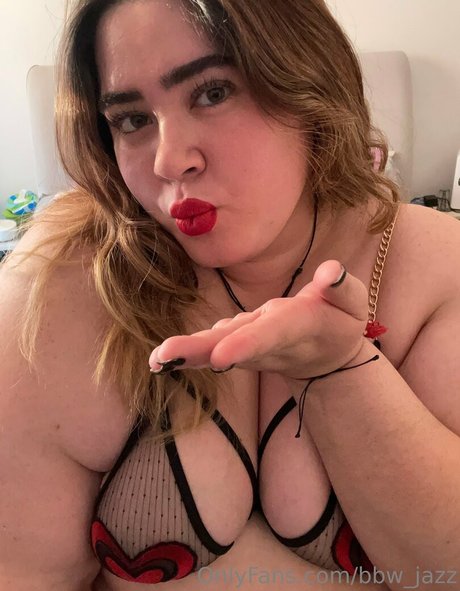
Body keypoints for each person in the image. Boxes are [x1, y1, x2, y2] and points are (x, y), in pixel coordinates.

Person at [1, 0, 459, 589]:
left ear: (307, 82)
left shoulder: (434, 266)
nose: (169, 160)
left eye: (212, 93)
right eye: (132, 119)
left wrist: (342, 370)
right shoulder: (65, 279)